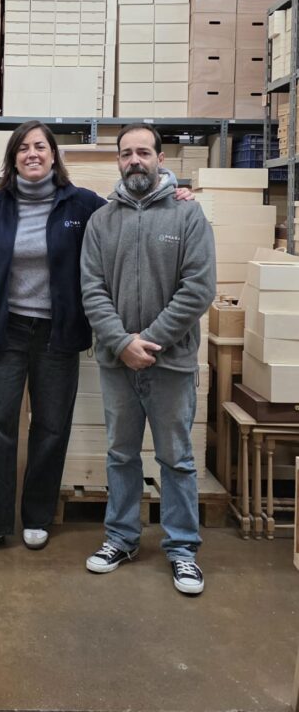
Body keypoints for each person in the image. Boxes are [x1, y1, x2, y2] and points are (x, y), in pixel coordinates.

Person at [0, 121, 107, 560]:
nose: (32, 154)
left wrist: (173, 190)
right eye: (23, 147)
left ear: (53, 154)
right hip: (6, 329)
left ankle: (37, 517)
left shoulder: (82, 204)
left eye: (40, 146)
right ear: (13, 158)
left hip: (57, 334)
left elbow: (126, 218)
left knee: (51, 427)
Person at [80, 123, 216, 595]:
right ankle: (121, 539)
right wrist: (121, 343)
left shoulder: (188, 216)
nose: (134, 160)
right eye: (126, 153)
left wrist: (149, 342)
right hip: (117, 363)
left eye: (143, 152)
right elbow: (91, 288)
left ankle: (182, 550)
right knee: (120, 455)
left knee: (176, 458)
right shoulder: (101, 221)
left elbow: (198, 288)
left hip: (171, 364)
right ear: (118, 161)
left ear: (161, 158)